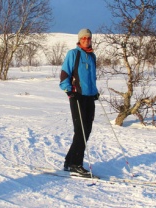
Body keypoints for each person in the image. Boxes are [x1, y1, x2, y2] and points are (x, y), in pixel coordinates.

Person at [59, 28, 99, 176]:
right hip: (77, 96)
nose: (86, 40)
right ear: (79, 39)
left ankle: (69, 161)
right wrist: (68, 90)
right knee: (80, 130)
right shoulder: (73, 54)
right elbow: (64, 74)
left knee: (86, 130)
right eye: (84, 38)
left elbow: (91, 77)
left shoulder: (92, 56)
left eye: (89, 38)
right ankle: (76, 164)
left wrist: (94, 91)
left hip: (89, 97)